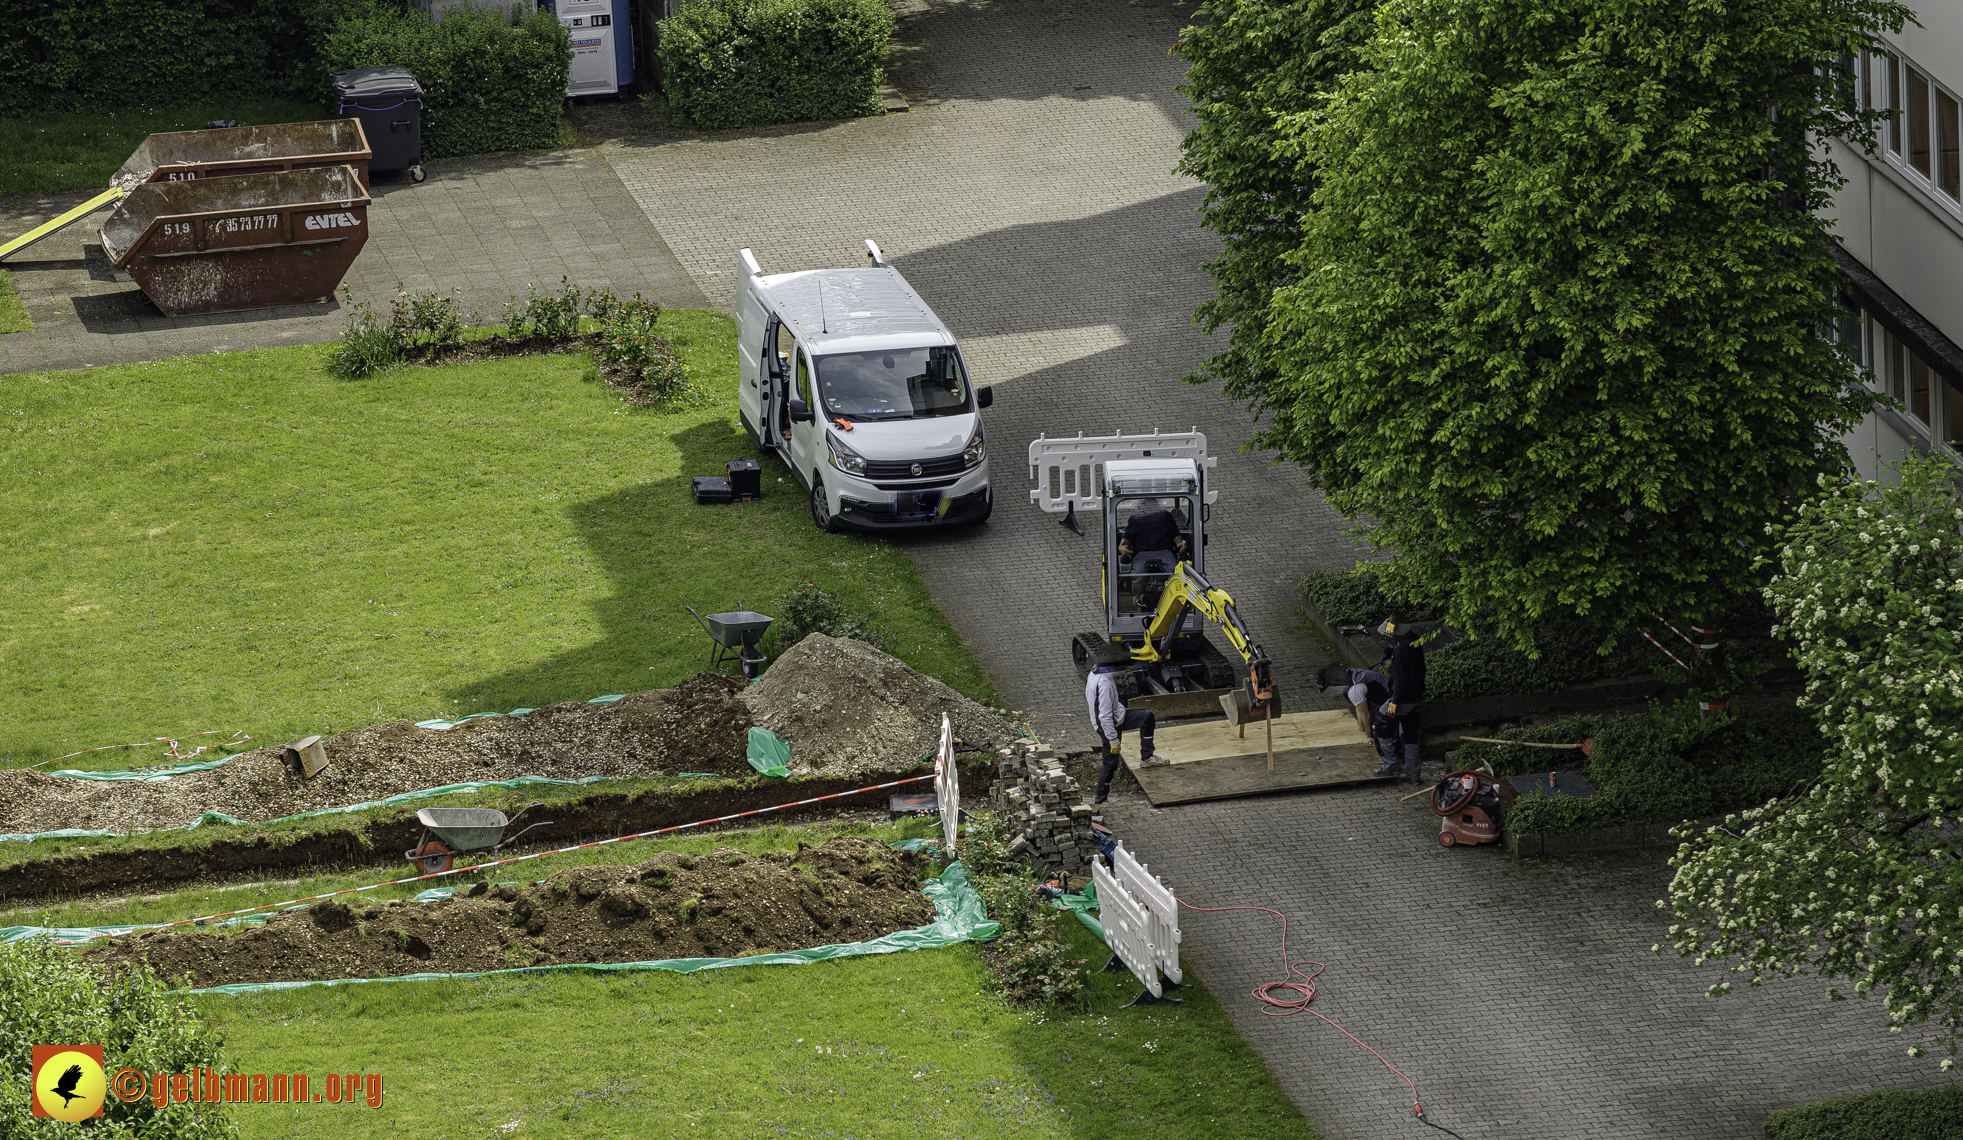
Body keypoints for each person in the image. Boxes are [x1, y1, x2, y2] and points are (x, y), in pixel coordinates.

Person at [1086, 646, 1159, 804]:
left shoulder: (1096, 672)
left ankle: (1147, 757)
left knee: (1147, 717)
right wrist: (1113, 739)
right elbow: (1104, 716)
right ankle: (1100, 799)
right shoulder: (1103, 685)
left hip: (1117, 716)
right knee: (1111, 763)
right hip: (1108, 726)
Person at [1319, 663, 1400, 774]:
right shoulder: (1350, 677)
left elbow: (1365, 714)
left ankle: (1391, 763)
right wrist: (1360, 726)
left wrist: (1369, 736)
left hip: (1392, 701)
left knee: (1380, 730)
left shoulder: (1354, 689)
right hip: (1383, 698)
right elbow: (1359, 706)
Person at [1378, 615, 1428, 782]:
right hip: (1416, 697)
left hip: (1402, 699)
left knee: (1382, 725)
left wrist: (1394, 701)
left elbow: (1400, 678)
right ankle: (1413, 774)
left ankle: (1390, 764)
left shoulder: (1400, 650)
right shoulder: (1415, 643)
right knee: (1410, 735)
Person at [1117, 506, 1187, 560]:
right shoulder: (1135, 519)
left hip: (1164, 551)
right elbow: (1127, 538)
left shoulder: (1166, 516)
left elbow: (1175, 533)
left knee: (1174, 572)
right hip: (1142, 553)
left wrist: (1179, 544)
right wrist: (1121, 547)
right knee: (1138, 573)